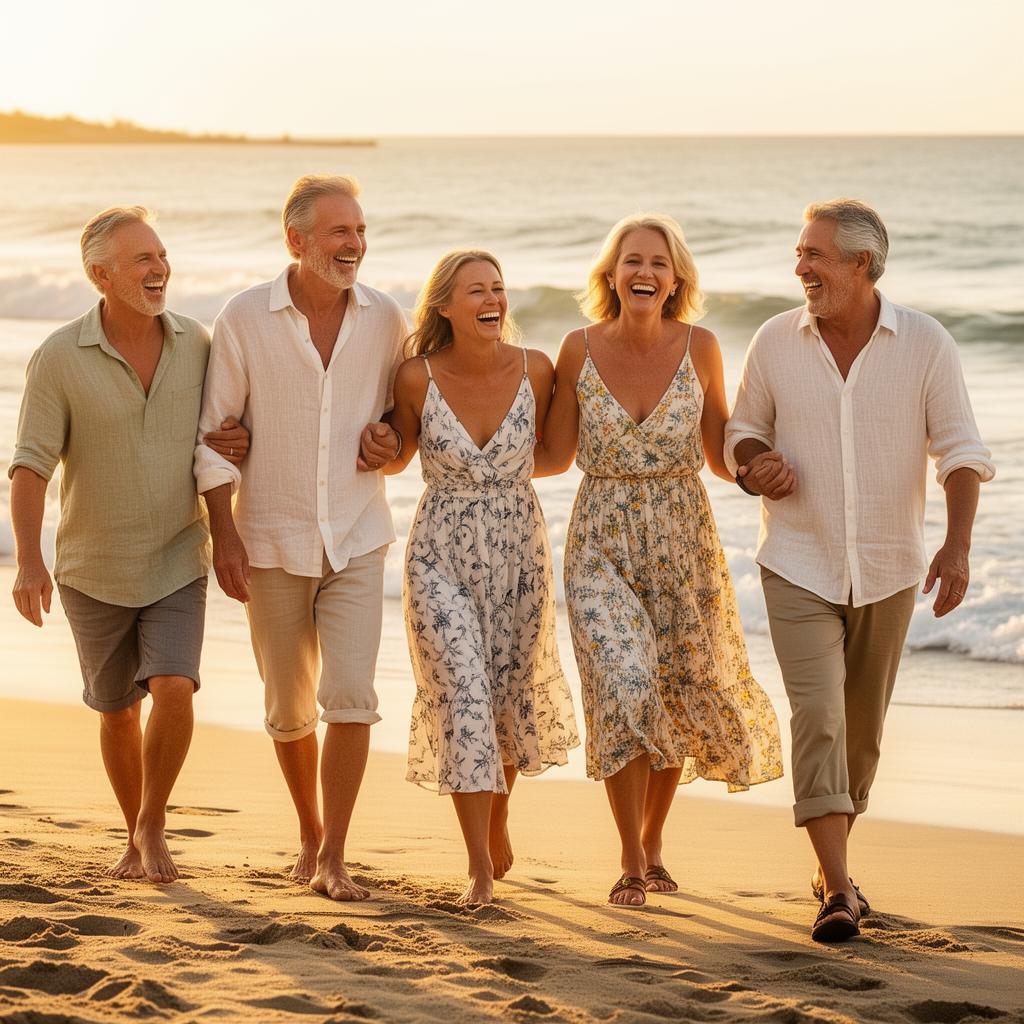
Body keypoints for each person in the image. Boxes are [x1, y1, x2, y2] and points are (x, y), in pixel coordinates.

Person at [725, 198, 995, 942]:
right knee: (817, 716)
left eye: (814, 255)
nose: (799, 267)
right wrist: (755, 469)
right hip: (796, 562)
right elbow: (740, 434)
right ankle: (840, 892)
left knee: (862, 736)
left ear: (859, 265)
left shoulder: (926, 344)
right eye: (799, 253)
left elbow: (962, 450)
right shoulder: (775, 341)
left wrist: (957, 545)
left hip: (890, 566)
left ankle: (829, 862)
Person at [537, 214, 783, 907]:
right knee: (625, 682)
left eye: (658, 263)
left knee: (673, 695)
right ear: (610, 276)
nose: (644, 272)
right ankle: (630, 857)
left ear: (676, 280)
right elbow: (553, 455)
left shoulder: (700, 346)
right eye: (631, 261)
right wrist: (460, 443)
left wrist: (775, 466)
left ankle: (654, 843)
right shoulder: (577, 349)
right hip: (601, 540)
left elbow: (720, 451)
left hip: (684, 539)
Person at [9, 206, 248, 883]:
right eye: (142, 259)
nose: (159, 268)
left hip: (177, 554)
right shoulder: (59, 357)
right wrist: (30, 560)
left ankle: (151, 825)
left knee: (175, 686)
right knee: (116, 709)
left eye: (162, 254)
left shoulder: (196, 343)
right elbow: (30, 466)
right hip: (92, 565)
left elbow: (220, 436)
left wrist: (237, 458)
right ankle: (133, 830)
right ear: (100, 275)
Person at [194, 175, 406, 902]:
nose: (355, 245)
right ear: (297, 240)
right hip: (269, 538)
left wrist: (390, 444)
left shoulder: (386, 320)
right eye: (339, 232)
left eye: (360, 230)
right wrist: (223, 535)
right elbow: (215, 438)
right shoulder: (245, 317)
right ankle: (310, 835)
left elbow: (400, 422)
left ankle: (335, 855)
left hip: (357, 533)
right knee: (288, 706)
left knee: (350, 695)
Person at [359, 250, 579, 906]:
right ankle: (479, 865)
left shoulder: (536, 369)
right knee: (462, 696)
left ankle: (498, 813)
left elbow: (557, 457)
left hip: (519, 555)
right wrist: (378, 445)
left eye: (499, 288)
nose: (494, 299)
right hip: (438, 557)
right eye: (477, 290)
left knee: (507, 700)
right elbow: (397, 456)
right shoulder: (415, 377)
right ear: (446, 307)